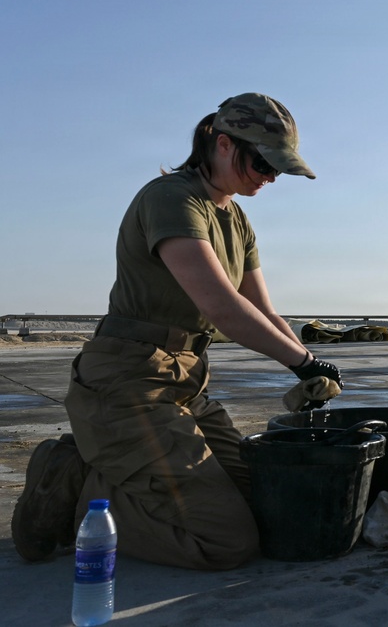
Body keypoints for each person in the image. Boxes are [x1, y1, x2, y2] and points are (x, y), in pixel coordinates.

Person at [11, 93, 343, 570]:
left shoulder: (236, 218)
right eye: (263, 163)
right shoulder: (172, 198)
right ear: (224, 145)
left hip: (185, 384)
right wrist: (300, 363)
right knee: (225, 539)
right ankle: (78, 487)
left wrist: (311, 366)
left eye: (279, 169)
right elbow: (222, 307)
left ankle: (112, 467)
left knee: (261, 497)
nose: (270, 177)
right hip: (127, 384)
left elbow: (262, 310)